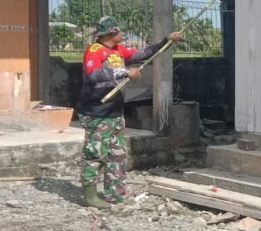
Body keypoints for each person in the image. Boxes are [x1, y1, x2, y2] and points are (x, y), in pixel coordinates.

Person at [77, 16, 184, 208]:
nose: (123, 34)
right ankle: (90, 196)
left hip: (115, 112)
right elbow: (94, 75)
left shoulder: (118, 50)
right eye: (119, 31)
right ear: (110, 33)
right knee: (95, 154)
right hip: (97, 113)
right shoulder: (94, 51)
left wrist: (165, 42)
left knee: (117, 154)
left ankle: (115, 194)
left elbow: (141, 54)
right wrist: (125, 72)